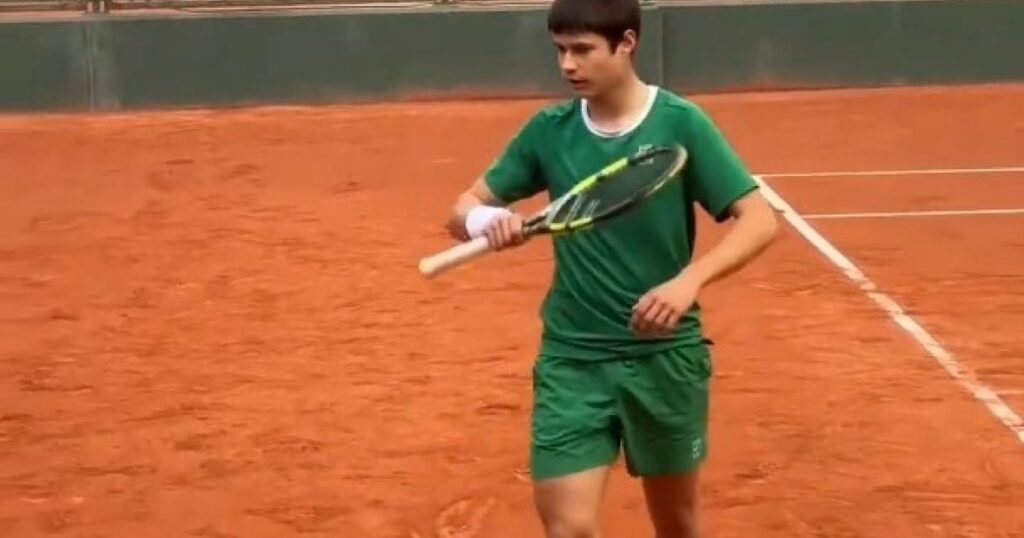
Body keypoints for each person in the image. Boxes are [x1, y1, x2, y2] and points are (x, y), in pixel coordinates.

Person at [442, 0, 779, 535]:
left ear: (627, 43)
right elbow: (461, 210)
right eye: (559, 50)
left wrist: (688, 281)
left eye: (582, 50)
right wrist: (486, 219)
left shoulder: (681, 124)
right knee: (569, 528)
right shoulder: (549, 130)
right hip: (573, 359)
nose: (567, 65)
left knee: (677, 524)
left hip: (664, 357)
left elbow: (759, 219)